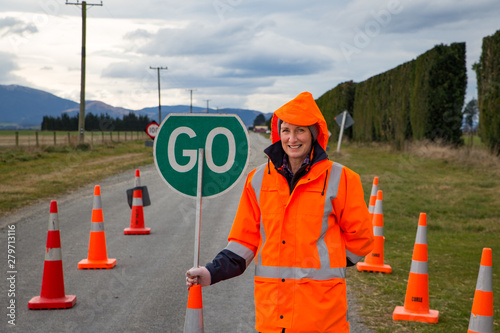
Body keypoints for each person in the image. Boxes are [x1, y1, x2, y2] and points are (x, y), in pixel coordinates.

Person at [186, 91, 374, 333]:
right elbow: (244, 241)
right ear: (278, 134)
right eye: (286, 130)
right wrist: (211, 272)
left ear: (314, 134)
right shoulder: (257, 180)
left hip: (322, 318)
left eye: (300, 130)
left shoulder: (341, 178)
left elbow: (362, 238)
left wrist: (334, 262)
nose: (292, 138)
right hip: (273, 318)